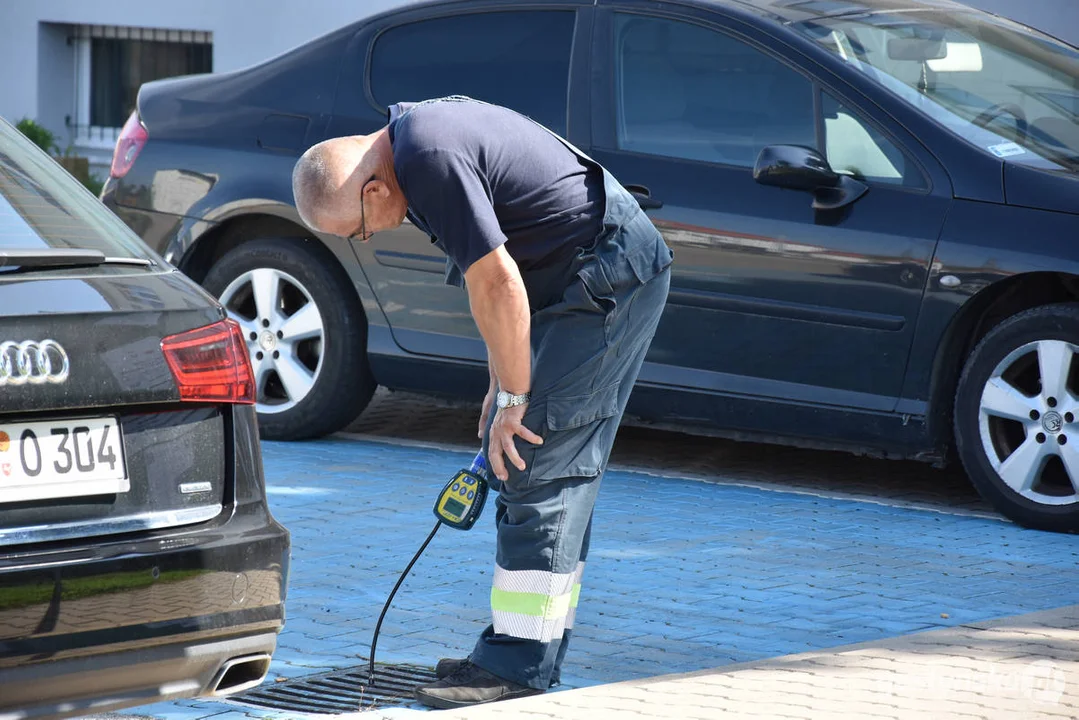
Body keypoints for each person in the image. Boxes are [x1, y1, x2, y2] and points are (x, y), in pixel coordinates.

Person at [291, 96, 672, 709]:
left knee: (535, 461)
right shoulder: (411, 150)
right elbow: (496, 275)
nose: (365, 237)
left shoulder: (431, 159)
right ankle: (526, 648)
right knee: (538, 462)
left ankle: (516, 666)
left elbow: (497, 279)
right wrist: (502, 382)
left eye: (357, 229)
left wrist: (518, 398)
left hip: (607, 274)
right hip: (574, 275)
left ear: (371, 190)